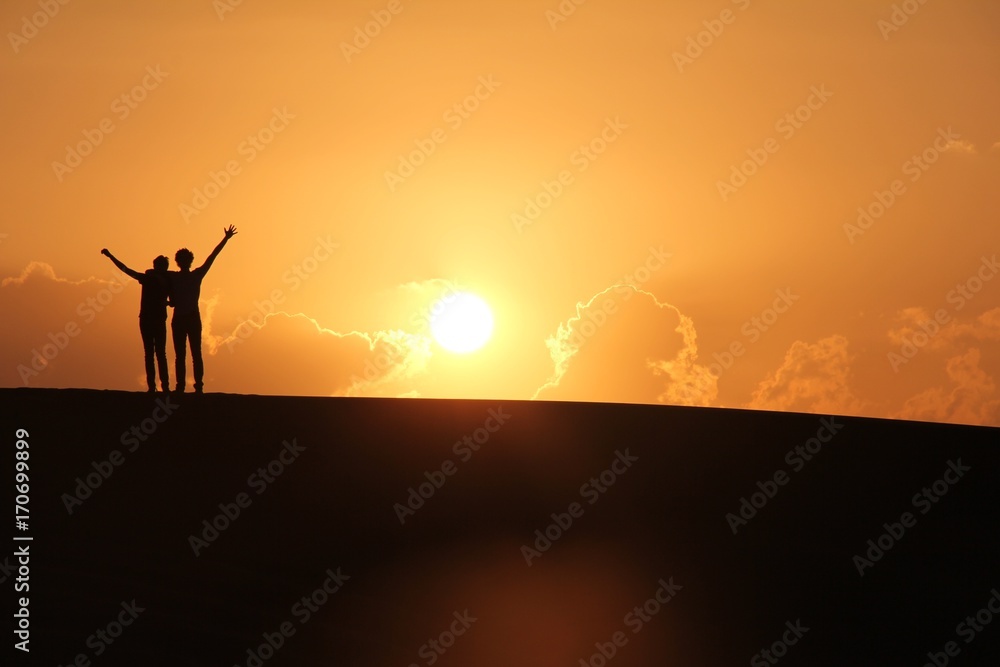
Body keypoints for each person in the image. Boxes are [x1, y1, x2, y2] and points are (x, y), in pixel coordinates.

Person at [170, 225, 237, 393]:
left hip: (184, 318)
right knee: (193, 354)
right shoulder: (193, 275)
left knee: (184, 355)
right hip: (188, 318)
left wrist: (225, 239)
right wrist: (225, 239)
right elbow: (211, 257)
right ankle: (195, 386)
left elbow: (212, 256)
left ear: (178, 261)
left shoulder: (176, 276)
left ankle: (184, 387)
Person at [100, 249, 172, 393]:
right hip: (153, 320)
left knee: (152, 354)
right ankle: (161, 387)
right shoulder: (164, 280)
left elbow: (126, 270)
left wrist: (110, 256)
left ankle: (156, 387)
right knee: (158, 354)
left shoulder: (151, 278)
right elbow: (126, 270)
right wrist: (111, 257)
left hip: (149, 319)